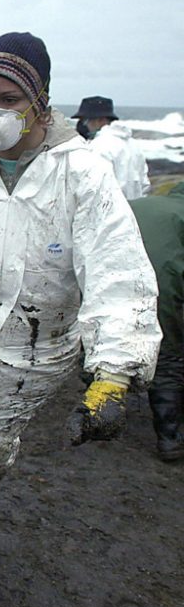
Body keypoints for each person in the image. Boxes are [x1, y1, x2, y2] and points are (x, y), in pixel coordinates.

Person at [0, 32, 161, 607]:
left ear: (40, 101)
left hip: (36, 354)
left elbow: (117, 272)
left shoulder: (84, 177)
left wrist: (114, 373)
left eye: (7, 97)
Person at [129, 181, 184, 461]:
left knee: (110, 341)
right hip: (161, 279)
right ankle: (170, 438)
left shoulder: (144, 203)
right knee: (168, 357)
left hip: (110, 274)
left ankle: (99, 403)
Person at [72, 95, 151, 200]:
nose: (83, 125)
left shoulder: (98, 146)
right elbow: (145, 185)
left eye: (85, 120)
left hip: (110, 212)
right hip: (135, 209)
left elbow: (94, 187)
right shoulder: (134, 144)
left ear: (100, 120)